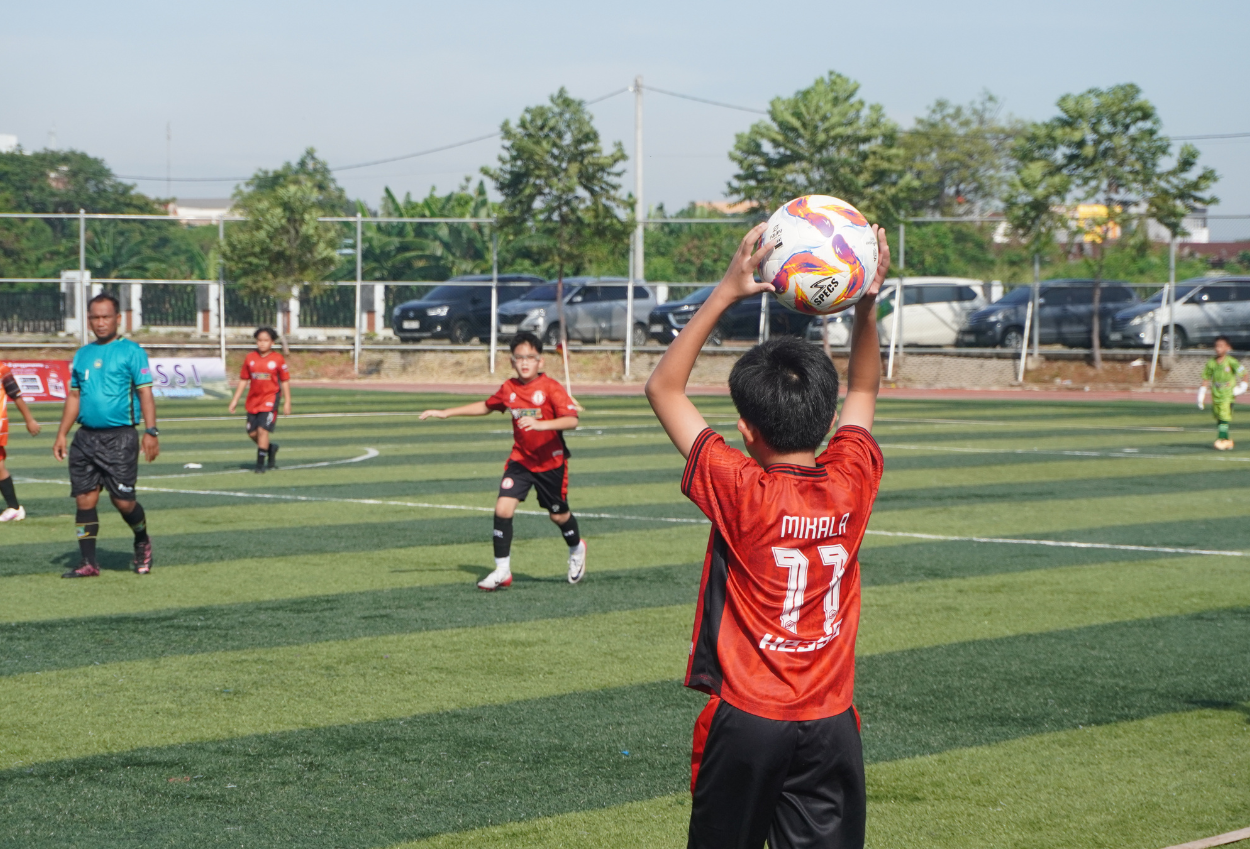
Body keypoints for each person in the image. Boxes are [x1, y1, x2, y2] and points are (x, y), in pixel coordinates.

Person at [645, 222, 891, 849]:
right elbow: (865, 386)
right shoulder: (852, 480)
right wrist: (866, 302)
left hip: (750, 721)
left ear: (747, 430)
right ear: (827, 419)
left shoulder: (742, 490)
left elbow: (662, 388)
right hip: (832, 722)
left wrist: (727, 292)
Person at [419, 331, 587, 590]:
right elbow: (487, 406)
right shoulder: (509, 389)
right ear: (512, 361)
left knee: (558, 516)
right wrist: (446, 413)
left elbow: (572, 421)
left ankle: (576, 548)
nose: (524, 362)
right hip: (521, 461)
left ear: (540, 361)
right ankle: (502, 570)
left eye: (530, 357)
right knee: (502, 509)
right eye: (519, 357)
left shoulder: (551, 388)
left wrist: (541, 425)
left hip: (551, 464)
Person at [53, 293, 160, 577]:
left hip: (120, 437)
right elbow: (74, 396)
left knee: (123, 501)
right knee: (84, 500)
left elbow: (145, 393)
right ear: (88, 320)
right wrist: (62, 433)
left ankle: (141, 539)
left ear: (117, 319)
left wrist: (151, 431)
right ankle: (88, 562)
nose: (100, 323)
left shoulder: (132, 351)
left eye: (106, 317)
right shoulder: (83, 354)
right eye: (95, 318)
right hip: (85, 438)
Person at [228, 327, 291, 472]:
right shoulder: (250, 358)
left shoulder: (277, 359)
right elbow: (244, 379)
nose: (262, 343)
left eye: (266, 340)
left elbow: (285, 381)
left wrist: (287, 401)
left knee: (263, 430)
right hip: (253, 401)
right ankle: (270, 448)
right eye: (259, 340)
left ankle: (260, 464)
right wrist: (235, 400)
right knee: (252, 433)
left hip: (270, 399)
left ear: (272, 342)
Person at [0, 362, 43, 522]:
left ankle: (14, 508)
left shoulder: (2, 369)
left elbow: (16, 395)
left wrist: (29, 419)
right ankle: (14, 508)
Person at [1198, 335, 1248, 451]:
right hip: (1216, 393)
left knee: (1224, 416)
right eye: (1216, 346)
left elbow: (1244, 374)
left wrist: (1242, 388)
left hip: (1228, 394)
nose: (1218, 349)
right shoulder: (1211, 363)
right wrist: (1201, 394)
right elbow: (1206, 378)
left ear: (1227, 348)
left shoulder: (1231, 362)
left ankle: (1220, 439)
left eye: (1221, 346)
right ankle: (1227, 441)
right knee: (1219, 417)